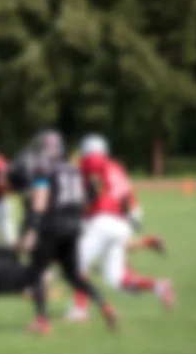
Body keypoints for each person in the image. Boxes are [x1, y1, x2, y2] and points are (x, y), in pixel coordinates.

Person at [18, 130, 118, 335]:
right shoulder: (73, 169)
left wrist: (32, 230)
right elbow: (85, 198)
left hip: (52, 226)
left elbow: (41, 201)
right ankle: (105, 305)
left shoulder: (43, 168)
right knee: (73, 275)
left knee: (36, 271)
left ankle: (42, 322)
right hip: (74, 227)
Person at [67, 134, 174, 322]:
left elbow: (91, 184)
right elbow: (128, 198)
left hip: (101, 220)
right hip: (120, 223)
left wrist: (84, 203)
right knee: (115, 278)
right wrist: (135, 216)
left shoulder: (92, 160)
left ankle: (80, 310)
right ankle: (159, 286)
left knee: (77, 265)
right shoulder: (116, 167)